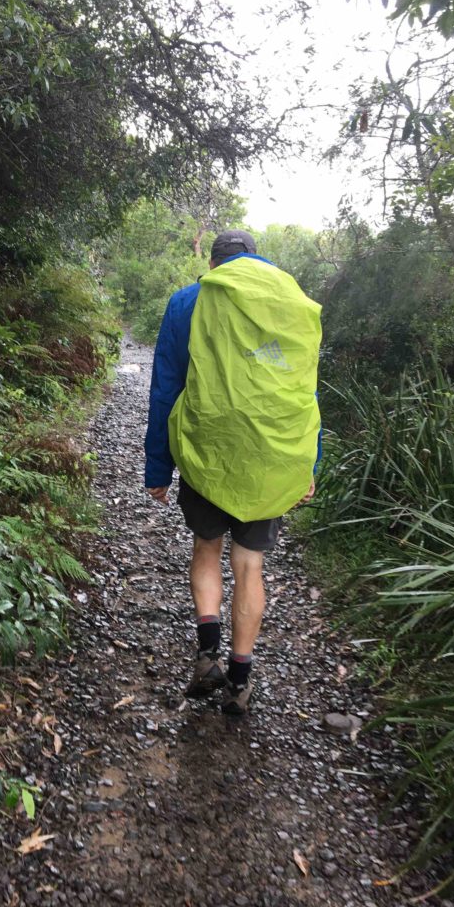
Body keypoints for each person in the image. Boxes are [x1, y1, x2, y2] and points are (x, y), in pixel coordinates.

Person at [144, 230, 322, 715]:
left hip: (208, 451)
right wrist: (307, 462)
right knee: (250, 566)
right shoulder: (286, 301)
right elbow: (304, 392)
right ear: (255, 258)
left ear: (215, 262)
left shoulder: (188, 302)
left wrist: (158, 466)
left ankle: (206, 655)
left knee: (207, 548)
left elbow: (166, 388)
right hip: (270, 459)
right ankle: (240, 681)